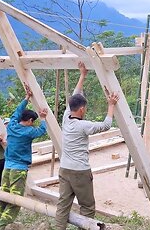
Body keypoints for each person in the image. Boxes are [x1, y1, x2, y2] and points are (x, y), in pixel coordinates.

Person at [55, 62, 119, 230]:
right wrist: (111, 105)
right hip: (79, 172)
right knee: (87, 207)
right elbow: (105, 125)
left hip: (64, 169)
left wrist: (83, 75)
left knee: (63, 205)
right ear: (82, 109)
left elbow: (75, 95)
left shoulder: (66, 118)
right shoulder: (83, 126)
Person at [0, 85, 48, 230]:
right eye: (33, 121)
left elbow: (16, 112)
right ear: (29, 120)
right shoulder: (28, 132)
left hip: (7, 168)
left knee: (3, 197)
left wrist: (26, 98)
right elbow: (42, 130)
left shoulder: (11, 126)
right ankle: (1, 227)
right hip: (19, 170)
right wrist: (43, 119)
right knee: (15, 201)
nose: (33, 124)